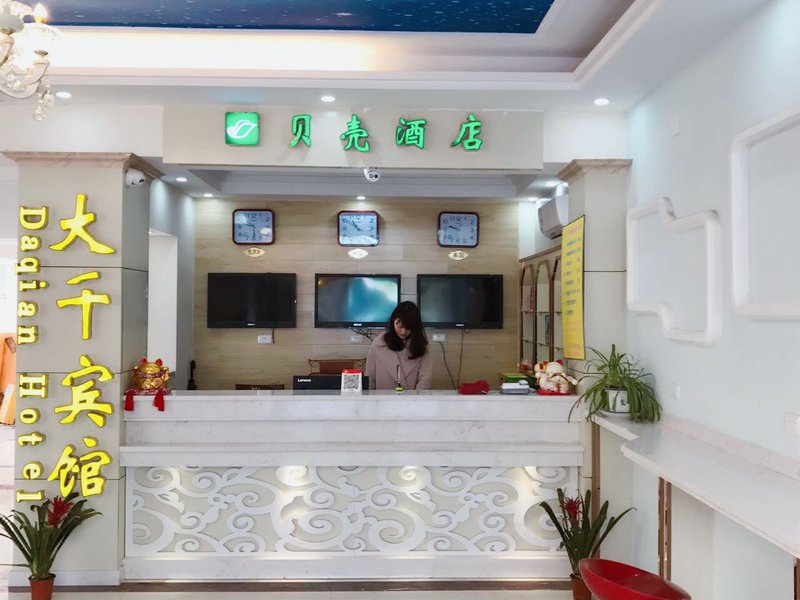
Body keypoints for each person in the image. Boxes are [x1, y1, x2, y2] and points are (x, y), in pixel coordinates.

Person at [366, 301, 432, 390]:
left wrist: (416, 398)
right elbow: (370, 378)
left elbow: (424, 380)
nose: (403, 332)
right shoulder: (378, 344)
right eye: (400, 326)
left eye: (408, 328)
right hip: (382, 397)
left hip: (411, 397)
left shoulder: (421, 346)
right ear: (393, 321)